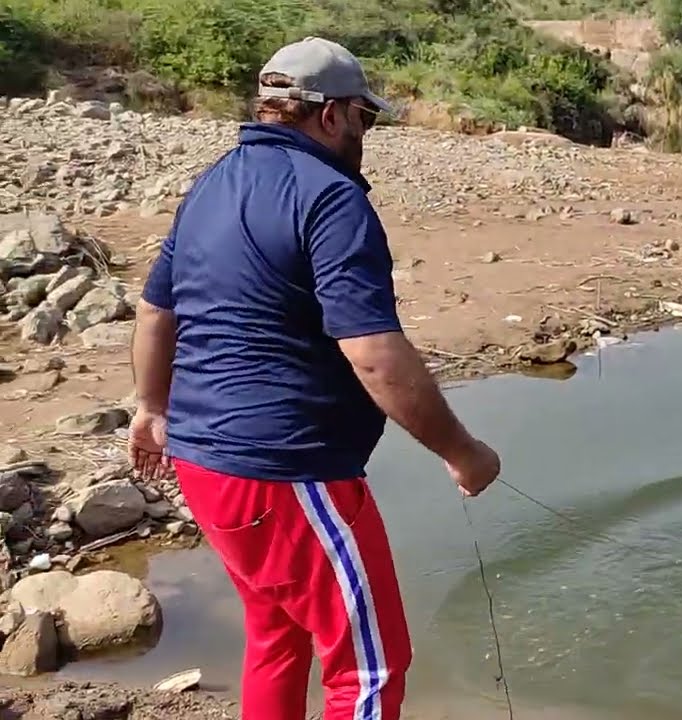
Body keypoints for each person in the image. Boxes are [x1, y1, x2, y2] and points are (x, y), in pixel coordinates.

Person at [127, 36, 501, 720]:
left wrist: (151, 409)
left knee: (277, 636)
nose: (366, 133)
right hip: (289, 472)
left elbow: (156, 311)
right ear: (331, 114)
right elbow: (374, 354)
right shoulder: (331, 199)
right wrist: (462, 452)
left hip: (204, 464)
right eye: (364, 117)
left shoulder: (212, 183)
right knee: (370, 668)